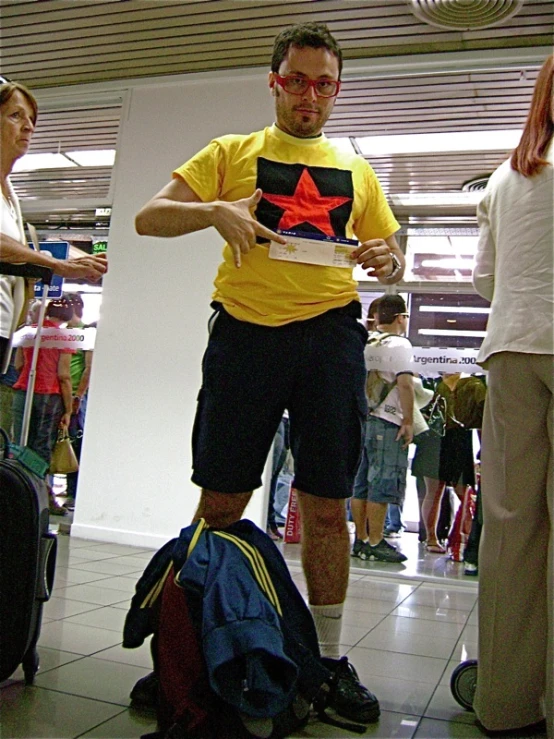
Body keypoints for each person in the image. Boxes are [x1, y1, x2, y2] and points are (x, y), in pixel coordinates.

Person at [135, 21, 405, 724]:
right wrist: (214, 211)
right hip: (245, 337)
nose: (308, 95)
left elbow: (390, 253)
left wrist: (389, 262)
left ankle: (328, 662)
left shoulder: (358, 169)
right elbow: (146, 217)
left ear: (336, 89)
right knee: (220, 503)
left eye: (322, 83)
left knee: (326, 507)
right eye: (296, 80)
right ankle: (183, 651)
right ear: (274, 81)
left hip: (331, 340)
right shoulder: (232, 152)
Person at [471, 54, 553, 736]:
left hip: (513, 351)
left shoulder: (506, 177)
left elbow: (486, 280)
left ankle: (503, 702)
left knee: (509, 529)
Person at [0, 81, 107, 375]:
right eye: (15, 116)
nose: (28, 127)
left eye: (31, 120)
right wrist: (55, 264)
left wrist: (68, 263)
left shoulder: (10, 193)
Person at [350, 295, 411, 563]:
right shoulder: (400, 344)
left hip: (363, 418)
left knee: (360, 482)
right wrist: (408, 420)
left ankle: (360, 540)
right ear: (401, 318)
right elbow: (405, 384)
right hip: (387, 421)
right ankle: (376, 541)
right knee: (383, 481)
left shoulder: (365, 341)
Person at [12, 297, 75, 515]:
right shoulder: (64, 337)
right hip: (49, 396)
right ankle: (38, 497)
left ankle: (16, 493)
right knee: (42, 448)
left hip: (23, 391)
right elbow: (64, 375)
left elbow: (19, 364)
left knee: (20, 444)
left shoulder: (28, 332)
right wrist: (68, 408)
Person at [63, 293, 92, 509]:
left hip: (75, 396)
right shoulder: (60, 333)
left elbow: (88, 368)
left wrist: (78, 395)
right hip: (60, 394)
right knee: (61, 441)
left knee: (75, 442)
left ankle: (74, 492)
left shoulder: (86, 333)